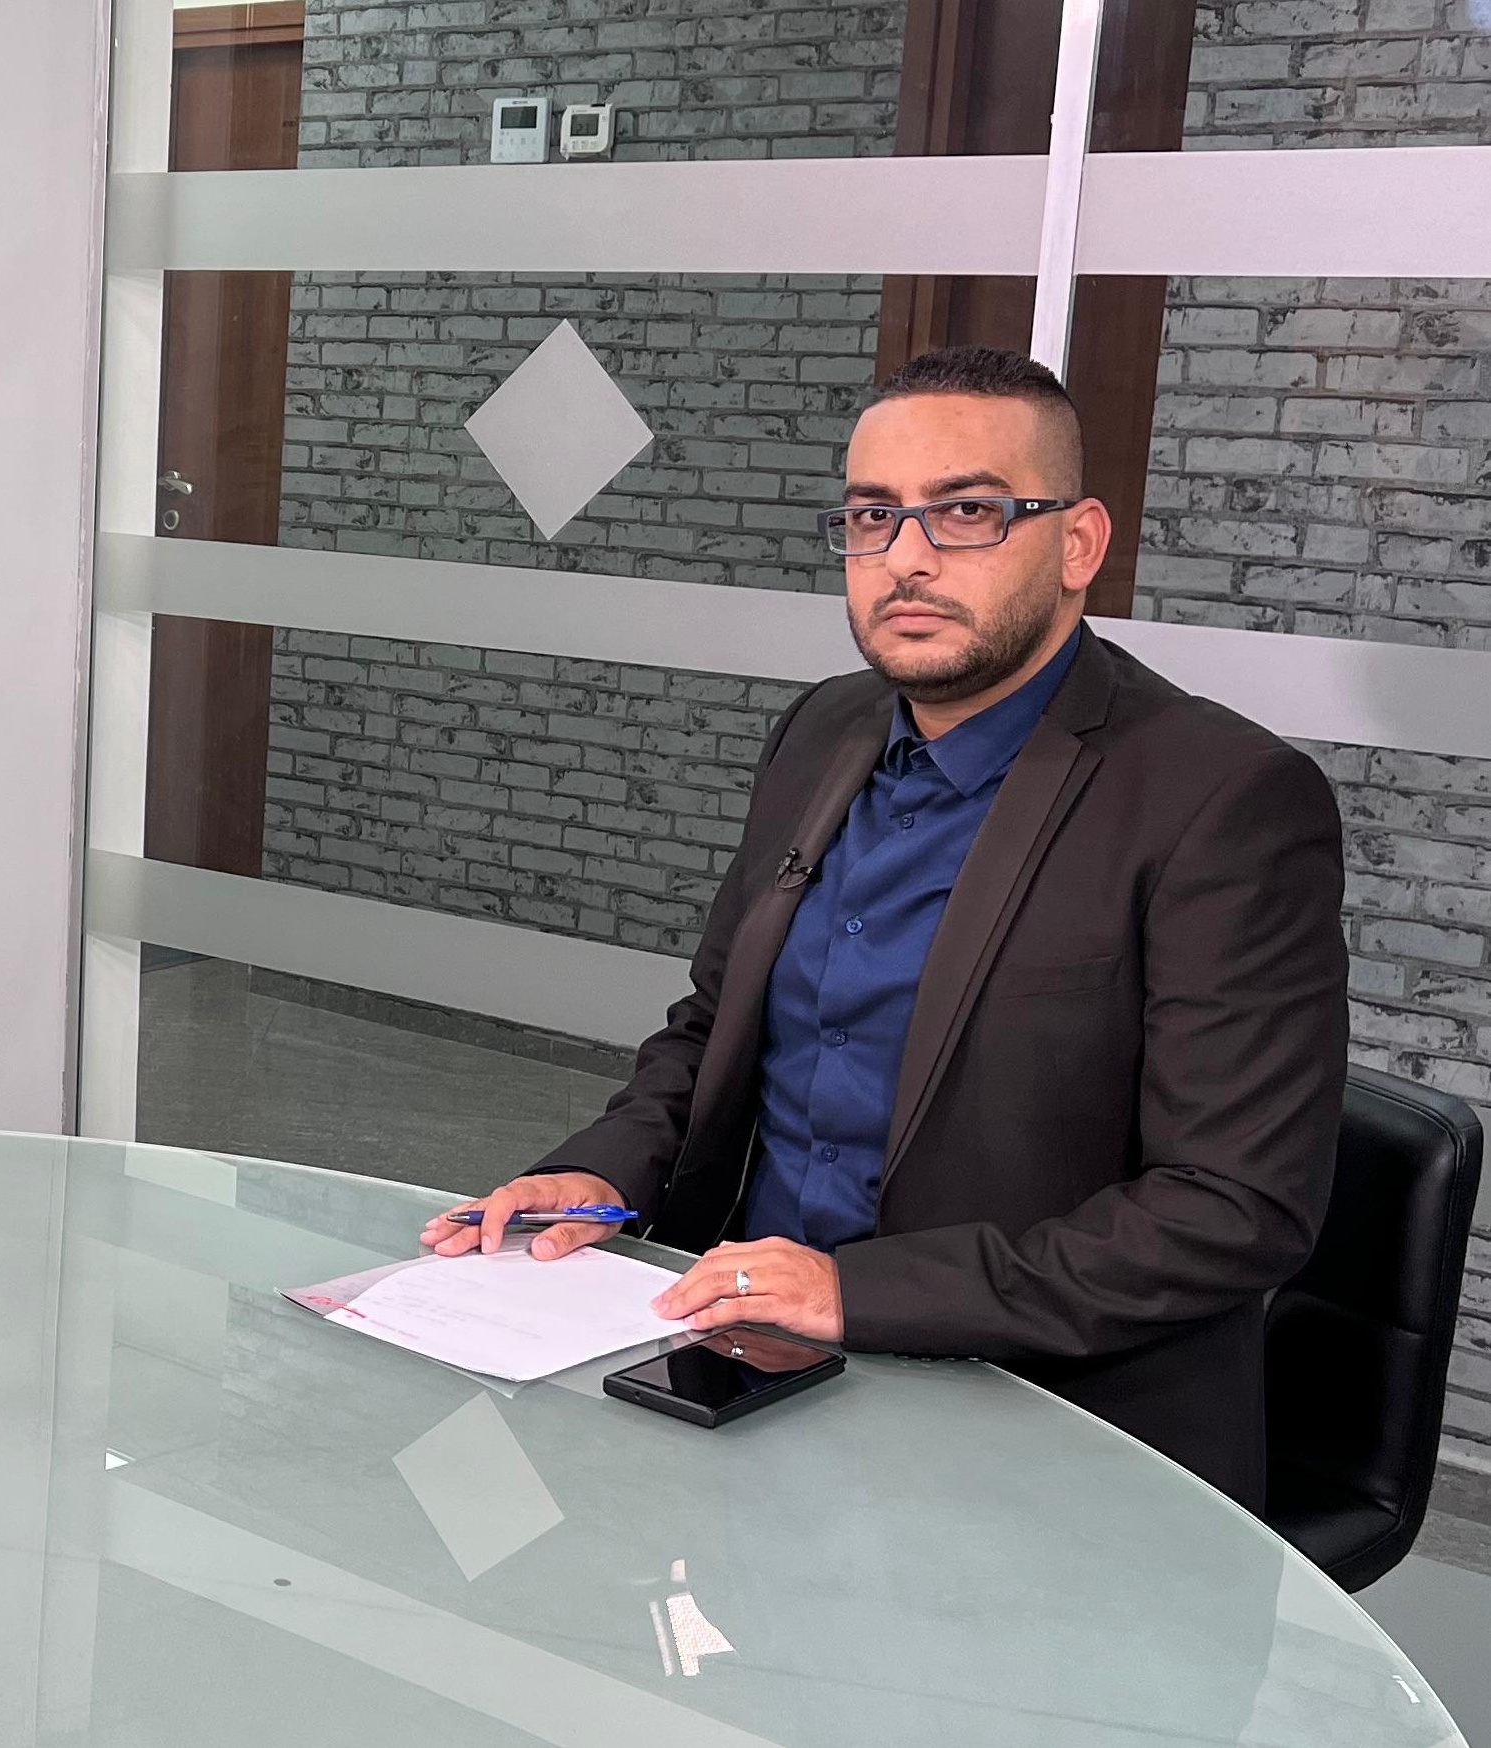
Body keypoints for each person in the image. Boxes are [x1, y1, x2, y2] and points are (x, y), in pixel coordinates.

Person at [422, 345, 1346, 1506]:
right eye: (872, 516)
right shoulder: (824, 729)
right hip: (742, 1361)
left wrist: (856, 1292)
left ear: (1077, 544)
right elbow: (712, 1029)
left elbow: (1231, 1206)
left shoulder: (1221, 798)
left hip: (1039, 1427)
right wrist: (597, 1173)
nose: (906, 558)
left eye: (966, 511)